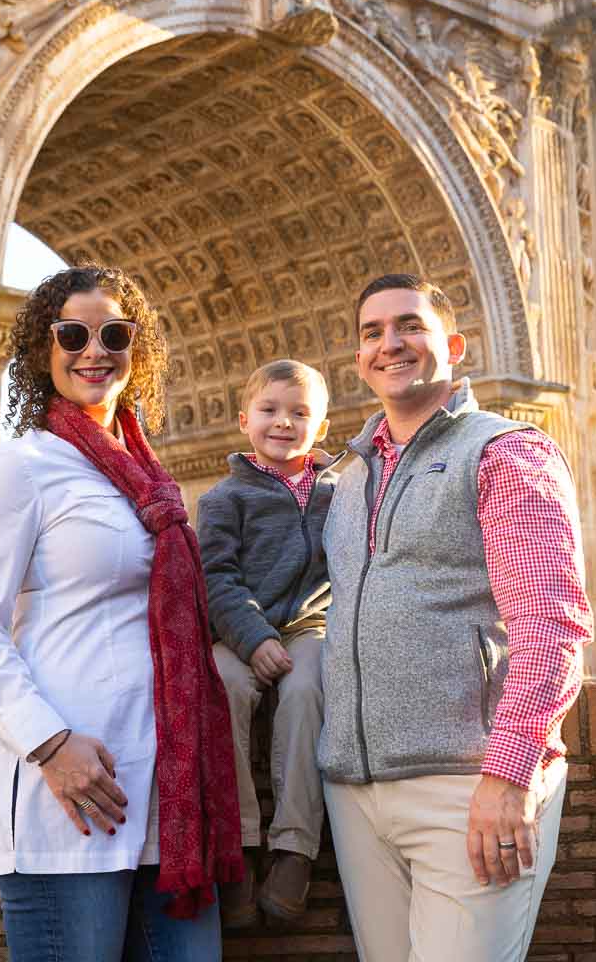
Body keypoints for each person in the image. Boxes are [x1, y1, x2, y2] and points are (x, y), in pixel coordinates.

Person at [0, 264, 242, 962]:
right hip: (69, 798)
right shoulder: (21, 467)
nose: (94, 350)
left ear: (137, 350)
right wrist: (50, 743)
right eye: (72, 333)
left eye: (114, 333)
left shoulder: (151, 479)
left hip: (166, 802)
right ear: (41, 351)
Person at [319, 273, 594, 962]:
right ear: (358, 358)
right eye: (372, 332)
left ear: (454, 344)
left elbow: (552, 630)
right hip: (356, 793)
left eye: (410, 325)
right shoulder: (347, 478)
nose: (390, 343)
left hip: (468, 786)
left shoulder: (506, 451)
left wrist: (508, 776)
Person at [197, 359, 343, 926]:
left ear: (322, 427)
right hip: (238, 632)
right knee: (226, 687)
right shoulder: (222, 499)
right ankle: (237, 849)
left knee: (308, 691)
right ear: (243, 420)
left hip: (310, 626)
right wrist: (254, 638)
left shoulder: (340, 493)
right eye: (270, 410)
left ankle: (293, 848)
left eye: (300, 413)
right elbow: (215, 578)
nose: (284, 422)